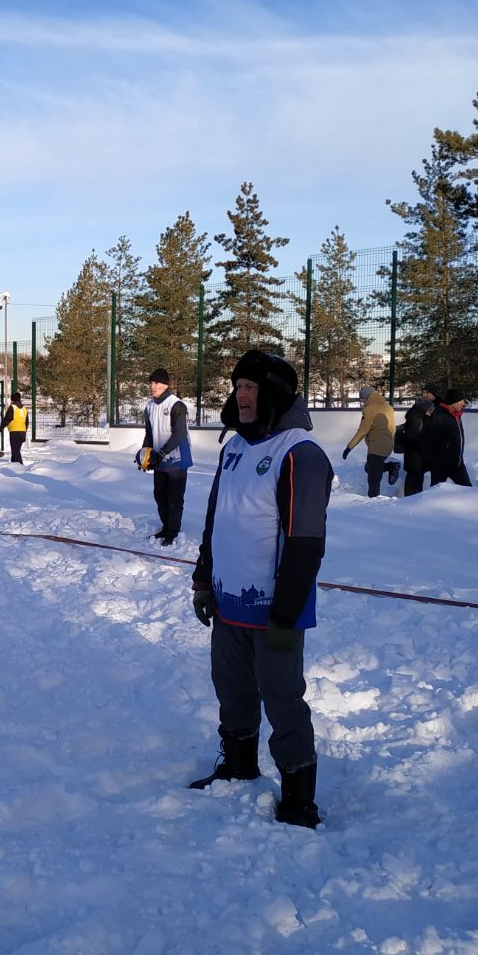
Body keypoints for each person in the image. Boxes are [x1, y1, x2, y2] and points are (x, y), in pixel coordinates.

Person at [189, 350, 333, 829]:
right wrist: (204, 580)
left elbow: (306, 543)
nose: (240, 395)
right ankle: (238, 763)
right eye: (237, 386)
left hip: (274, 611)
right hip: (229, 602)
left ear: (273, 392)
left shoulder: (300, 454)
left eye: (250, 387)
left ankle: (298, 798)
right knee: (231, 688)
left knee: (283, 698)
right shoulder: (233, 448)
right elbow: (217, 522)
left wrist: (286, 615)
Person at [136, 368, 192, 547]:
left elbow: (180, 435)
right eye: (151, 383)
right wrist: (145, 454)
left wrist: (161, 453)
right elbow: (149, 434)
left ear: (166, 384)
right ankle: (166, 526)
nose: (153, 386)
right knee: (160, 494)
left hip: (177, 458)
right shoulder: (150, 407)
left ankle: (173, 531)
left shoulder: (177, 405)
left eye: (157, 383)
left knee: (174, 497)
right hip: (160, 458)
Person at [342, 385, 399, 497]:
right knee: (369, 468)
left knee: (373, 479)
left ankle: (372, 501)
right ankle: (391, 466)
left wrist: (349, 447)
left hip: (376, 447)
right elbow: (393, 427)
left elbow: (363, 430)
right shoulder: (388, 407)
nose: (361, 401)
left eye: (361, 398)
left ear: (367, 397)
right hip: (387, 444)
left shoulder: (369, 410)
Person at [400, 383, 439, 496]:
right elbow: (411, 437)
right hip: (415, 455)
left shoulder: (420, 415)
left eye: (427, 392)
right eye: (423, 392)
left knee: (417, 480)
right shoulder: (416, 418)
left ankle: (415, 501)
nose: (424, 394)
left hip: (418, 455)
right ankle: (410, 503)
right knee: (413, 481)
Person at [427, 389, 472, 487]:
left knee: (468, 489)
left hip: (457, 462)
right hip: (441, 463)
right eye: (462, 401)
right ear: (454, 401)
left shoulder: (456, 415)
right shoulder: (439, 415)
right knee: (436, 491)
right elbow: (430, 438)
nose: (464, 404)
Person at [0, 391, 29, 464]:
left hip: (14, 432)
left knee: (15, 451)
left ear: (12, 400)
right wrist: (24, 433)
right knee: (16, 450)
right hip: (22, 432)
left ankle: (20, 466)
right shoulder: (24, 409)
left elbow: (6, 421)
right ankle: (14, 465)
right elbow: (27, 422)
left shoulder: (12, 407)